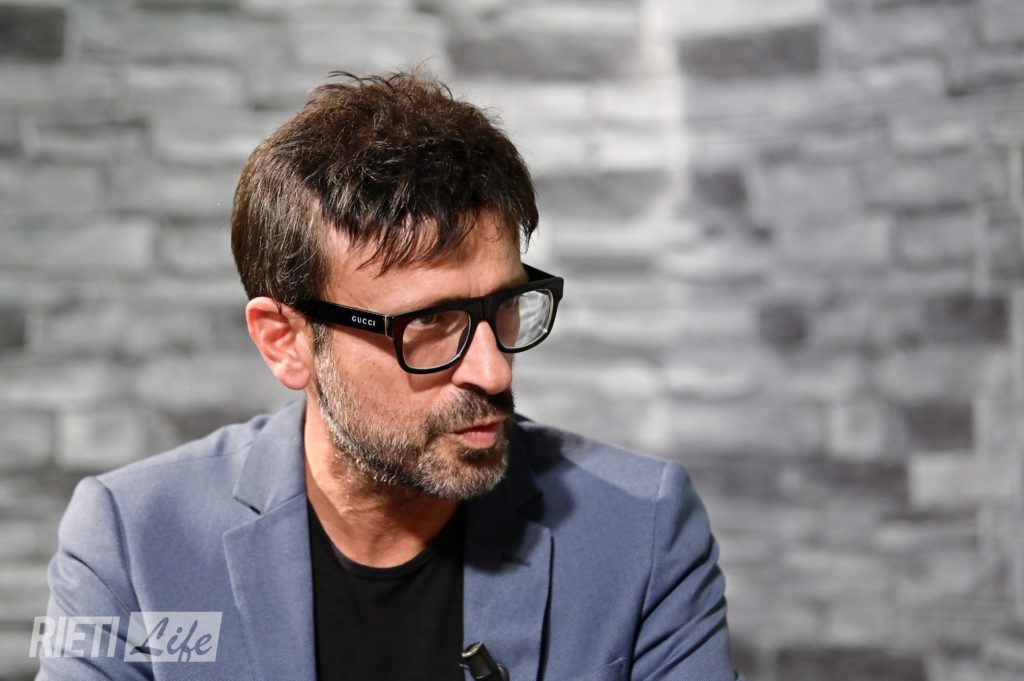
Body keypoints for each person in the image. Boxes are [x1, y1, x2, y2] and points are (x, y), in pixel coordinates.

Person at [37, 71, 744, 681]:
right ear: (286, 342)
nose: (493, 369)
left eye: (504, 306)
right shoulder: (130, 542)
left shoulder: (641, 529)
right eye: (428, 323)